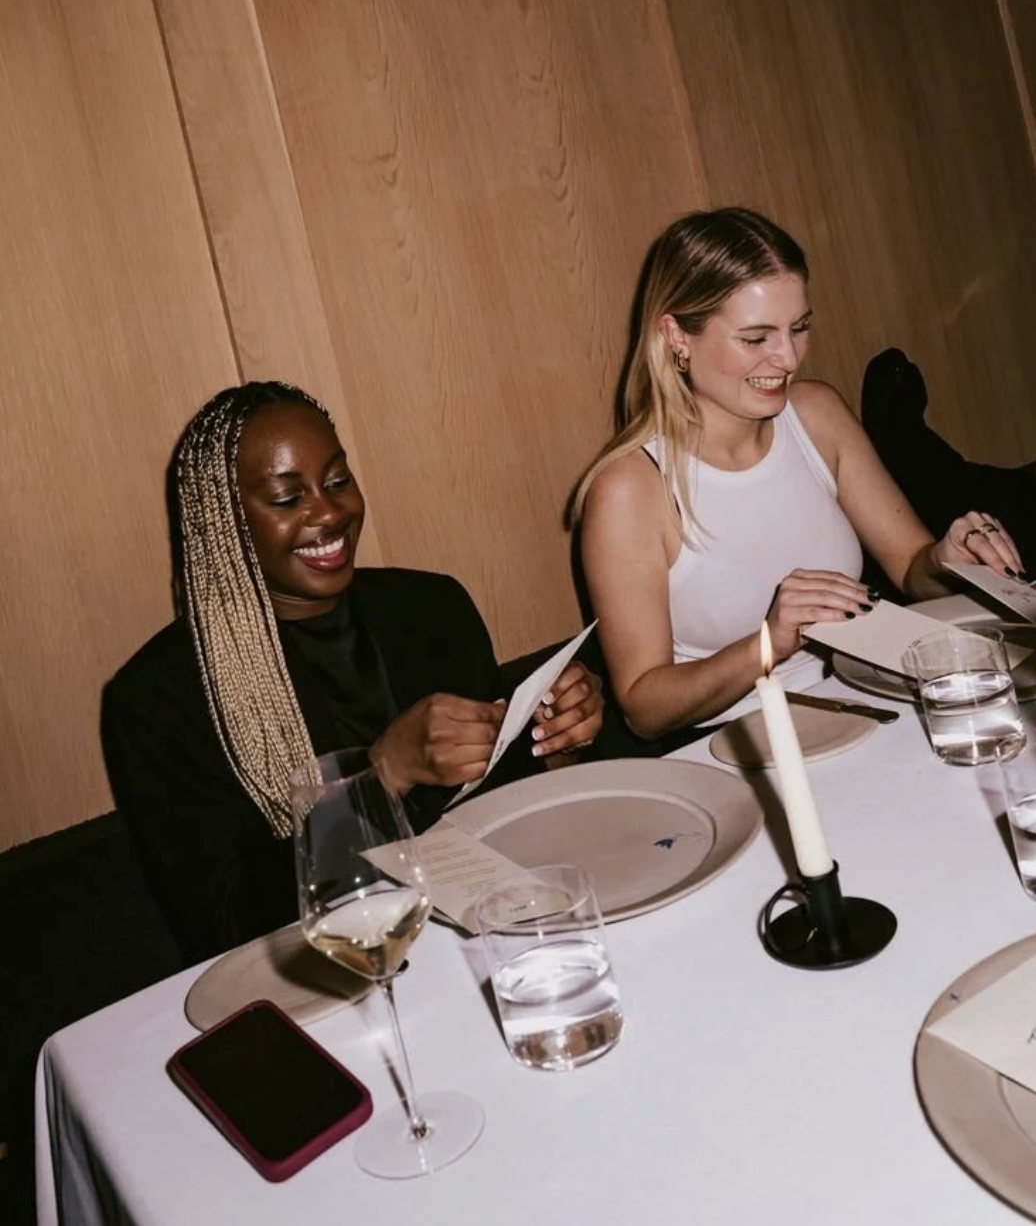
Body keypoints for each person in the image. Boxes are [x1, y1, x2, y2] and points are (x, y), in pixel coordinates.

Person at [103, 381, 603, 964]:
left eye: (337, 481)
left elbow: (505, 810)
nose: (329, 511)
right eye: (287, 498)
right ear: (223, 523)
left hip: (487, 941)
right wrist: (380, 776)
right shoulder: (162, 698)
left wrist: (558, 739)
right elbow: (224, 930)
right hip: (328, 974)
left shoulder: (430, 609)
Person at [572, 207, 1022, 742]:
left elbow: (911, 569)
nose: (788, 358)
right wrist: (770, 642)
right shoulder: (629, 489)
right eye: (756, 338)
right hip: (736, 748)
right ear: (676, 336)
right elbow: (644, 708)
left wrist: (950, 559)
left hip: (867, 707)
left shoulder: (817, 414)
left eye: (799, 328)